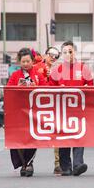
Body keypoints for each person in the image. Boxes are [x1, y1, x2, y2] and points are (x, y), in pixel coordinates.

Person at [50, 41, 94, 176]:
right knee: (63, 137)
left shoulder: (83, 68)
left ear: (75, 52)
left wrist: (86, 89)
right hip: (62, 109)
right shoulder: (57, 70)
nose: (68, 54)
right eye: (65, 52)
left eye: (70, 51)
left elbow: (91, 85)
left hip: (79, 110)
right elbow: (50, 87)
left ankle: (78, 165)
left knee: (79, 136)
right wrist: (59, 89)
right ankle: (65, 167)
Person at [7, 48, 47, 177]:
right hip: (18, 111)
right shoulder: (15, 75)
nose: (25, 64)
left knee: (32, 137)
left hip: (34, 111)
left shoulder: (38, 74)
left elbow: (47, 89)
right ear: (19, 62)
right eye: (23, 61)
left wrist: (36, 86)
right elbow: (8, 90)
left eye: (28, 61)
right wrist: (17, 87)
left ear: (32, 61)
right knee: (18, 139)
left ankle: (29, 163)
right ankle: (23, 164)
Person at [34, 46, 62, 174]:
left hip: (56, 105)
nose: (53, 57)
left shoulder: (61, 69)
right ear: (46, 54)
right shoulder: (36, 67)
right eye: (51, 54)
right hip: (38, 106)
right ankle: (28, 163)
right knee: (33, 134)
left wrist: (54, 78)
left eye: (56, 56)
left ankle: (58, 164)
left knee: (58, 134)